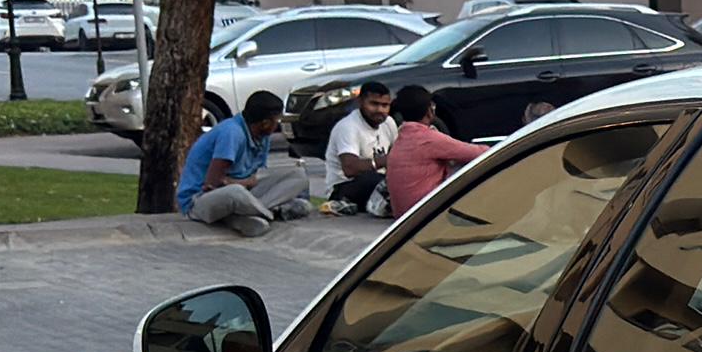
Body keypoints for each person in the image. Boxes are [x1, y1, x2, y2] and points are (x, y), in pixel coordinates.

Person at [177, 89, 312, 235]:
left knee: (298, 175)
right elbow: (212, 184)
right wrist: (244, 183)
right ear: (265, 123)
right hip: (200, 200)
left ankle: (244, 217)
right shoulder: (232, 133)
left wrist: (243, 183)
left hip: (244, 193)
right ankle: (267, 214)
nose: (276, 126)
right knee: (235, 192)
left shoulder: (262, 136)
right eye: (276, 121)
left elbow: (255, 176)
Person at [378, 84, 478, 212]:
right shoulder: (429, 139)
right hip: (425, 213)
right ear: (430, 111)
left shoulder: (402, 137)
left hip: (402, 213)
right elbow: (478, 153)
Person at [323, 82, 400, 214]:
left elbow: (397, 154)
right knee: (374, 180)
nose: (380, 110)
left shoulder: (388, 123)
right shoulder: (348, 126)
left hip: (378, 181)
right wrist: (385, 160)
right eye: (374, 104)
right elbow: (350, 169)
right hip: (344, 188)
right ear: (360, 102)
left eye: (385, 105)